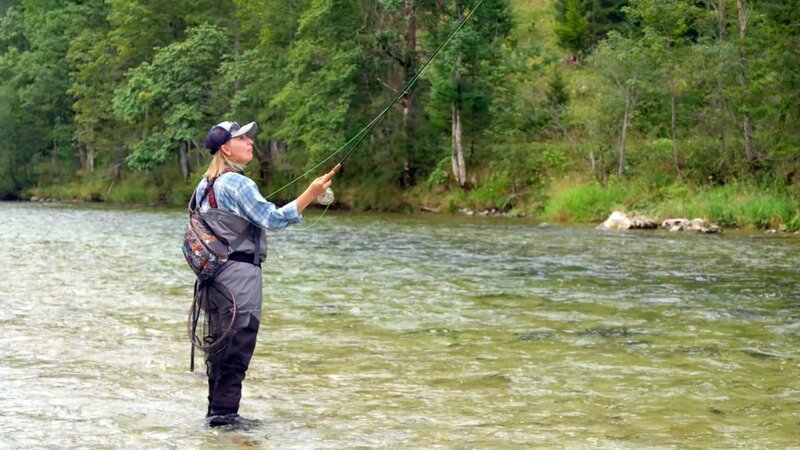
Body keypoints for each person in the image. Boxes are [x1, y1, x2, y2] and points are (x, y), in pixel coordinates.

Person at [194, 120, 337, 427]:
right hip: (239, 277)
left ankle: (216, 415)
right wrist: (310, 193)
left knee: (219, 347)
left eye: (249, 137)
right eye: (242, 138)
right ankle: (227, 420)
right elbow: (271, 219)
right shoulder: (237, 183)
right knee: (238, 344)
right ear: (225, 148)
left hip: (211, 281)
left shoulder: (204, 185)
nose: (250, 142)